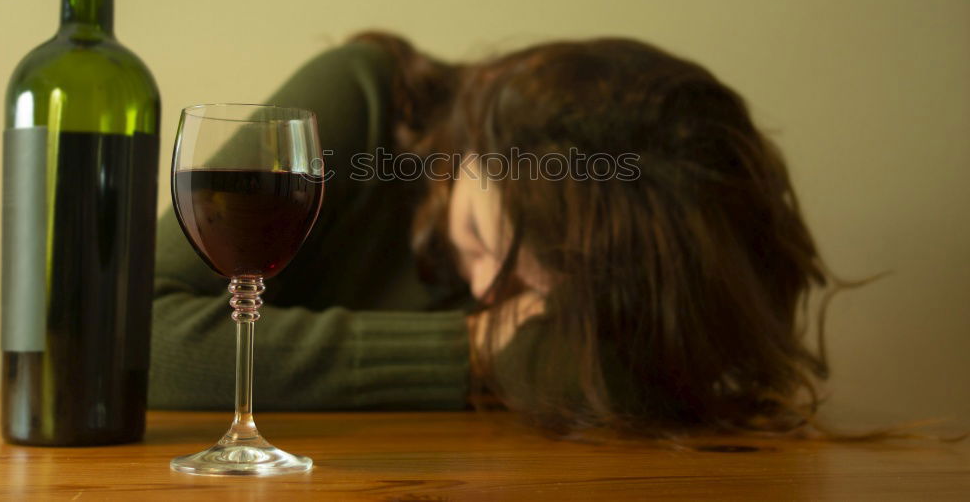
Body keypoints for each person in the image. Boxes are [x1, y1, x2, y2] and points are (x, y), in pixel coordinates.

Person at [150, 30, 834, 436]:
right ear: (476, 131)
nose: (483, 289)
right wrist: (475, 347)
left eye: (533, 287)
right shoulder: (362, 98)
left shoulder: (627, 266)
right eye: (479, 236)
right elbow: (122, 335)